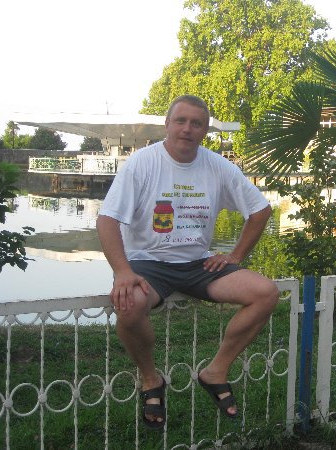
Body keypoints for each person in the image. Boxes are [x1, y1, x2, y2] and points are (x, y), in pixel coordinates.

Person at [96, 95, 279, 429]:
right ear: (167, 124)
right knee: (129, 305)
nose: (187, 129)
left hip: (198, 264)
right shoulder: (142, 163)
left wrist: (235, 256)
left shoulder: (218, 166)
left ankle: (215, 372)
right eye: (180, 121)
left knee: (266, 293)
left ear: (205, 130)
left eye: (197, 123)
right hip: (148, 262)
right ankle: (151, 379)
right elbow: (107, 219)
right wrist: (122, 271)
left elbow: (260, 210)